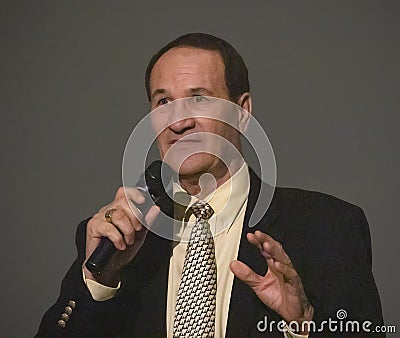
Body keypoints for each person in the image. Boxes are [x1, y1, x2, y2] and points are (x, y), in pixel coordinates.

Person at [36, 33, 383, 338]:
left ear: (242, 112)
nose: (180, 121)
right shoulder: (118, 241)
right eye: (163, 102)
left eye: (199, 99)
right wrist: (98, 283)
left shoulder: (328, 227)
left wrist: (304, 324)